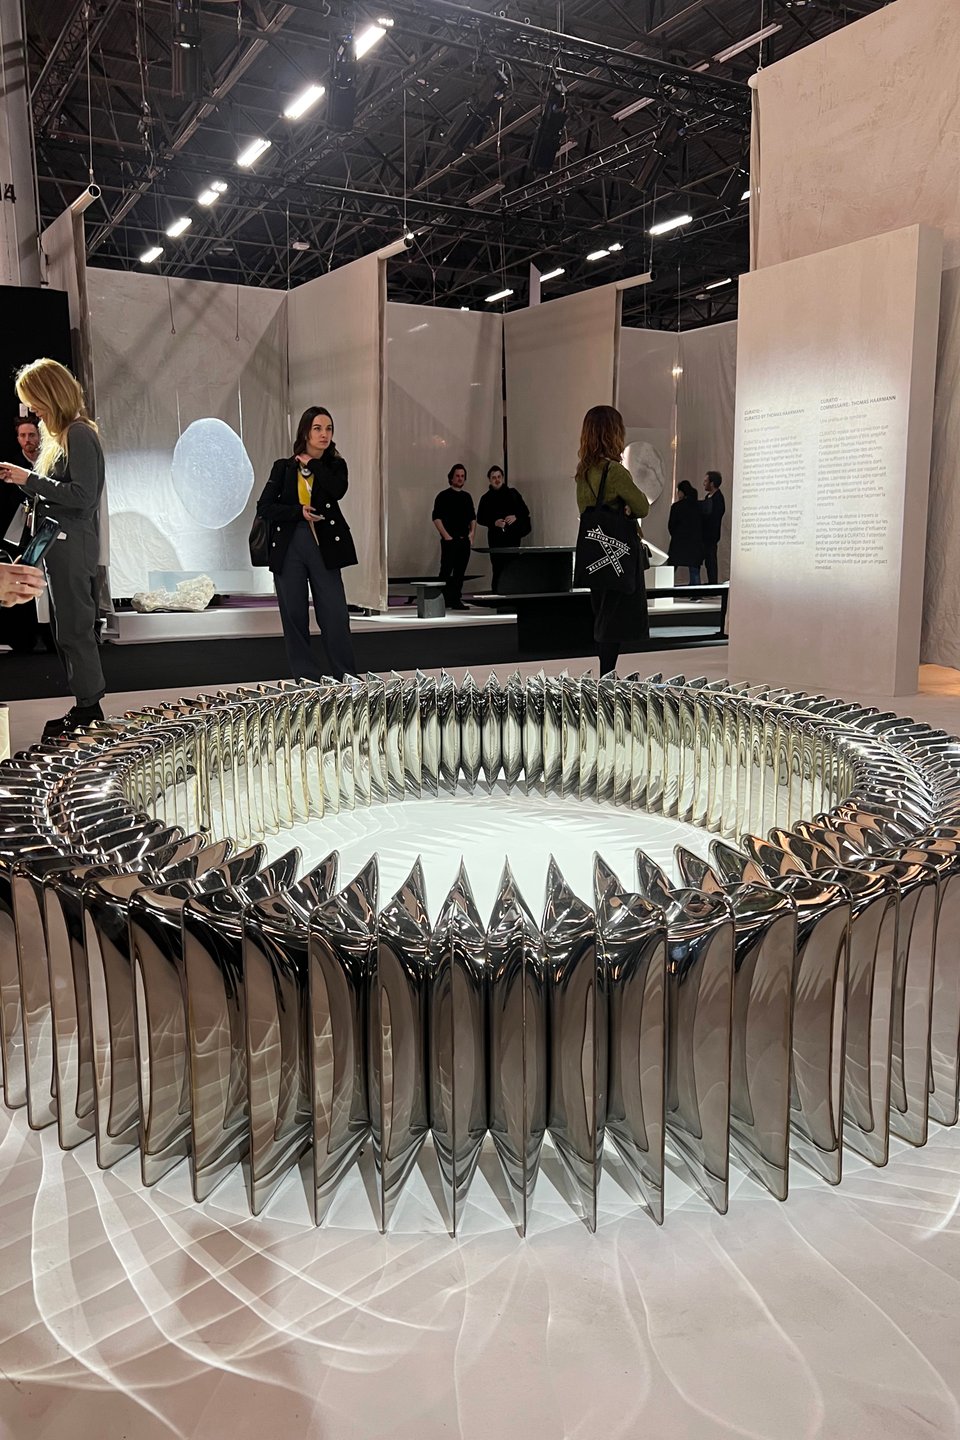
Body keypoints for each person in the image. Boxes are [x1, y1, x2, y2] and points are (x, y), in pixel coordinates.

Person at [0, 359, 108, 738]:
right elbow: (63, 493)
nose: (32, 410)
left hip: (72, 544)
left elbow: (83, 497)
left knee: (75, 629)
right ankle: (85, 705)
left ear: (50, 394)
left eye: (34, 400)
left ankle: (90, 709)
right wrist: (26, 480)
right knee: (66, 630)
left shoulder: (78, 434)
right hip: (60, 543)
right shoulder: (63, 435)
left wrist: (29, 478)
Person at [255, 405, 358, 682]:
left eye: (329, 429)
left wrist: (312, 464)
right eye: (317, 428)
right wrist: (297, 512)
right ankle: (306, 678)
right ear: (305, 432)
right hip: (290, 546)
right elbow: (264, 507)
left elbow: (337, 490)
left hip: (324, 545)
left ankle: (345, 675)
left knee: (335, 613)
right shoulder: (284, 467)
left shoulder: (335, 465)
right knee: (294, 615)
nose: (324, 434)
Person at [575, 405, 650, 677]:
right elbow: (642, 506)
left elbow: (585, 510)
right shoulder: (615, 471)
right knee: (615, 617)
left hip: (594, 552)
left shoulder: (583, 472)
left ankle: (606, 672)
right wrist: (626, 510)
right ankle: (607, 675)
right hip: (619, 553)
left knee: (602, 612)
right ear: (613, 433)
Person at [476, 464, 531, 589]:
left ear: (503, 477)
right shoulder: (486, 498)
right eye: (494, 477)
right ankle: (497, 593)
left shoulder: (513, 493)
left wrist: (515, 516)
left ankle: (512, 593)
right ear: (489, 480)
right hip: (496, 538)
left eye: (499, 477)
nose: (497, 480)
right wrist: (494, 523)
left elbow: (525, 511)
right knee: (497, 567)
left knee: (513, 565)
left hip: (513, 536)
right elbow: (480, 518)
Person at [432, 463, 475, 610]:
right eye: (457, 476)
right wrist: (446, 536)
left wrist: (472, 534)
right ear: (451, 477)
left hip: (464, 540)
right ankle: (440, 600)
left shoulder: (467, 497)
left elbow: (472, 517)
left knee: (460, 572)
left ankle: (456, 599)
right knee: (445, 570)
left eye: (462, 476)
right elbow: (436, 518)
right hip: (450, 540)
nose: (460, 478)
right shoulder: (443, 496)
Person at [668, 480, 704, 585]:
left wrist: (676, 535)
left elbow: (671, 526)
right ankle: (696, 592)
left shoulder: (676, 507)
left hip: (678, 543)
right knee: (694, 571)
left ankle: (665, 591)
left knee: (670, 570)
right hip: (695, 544)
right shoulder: (698, 506)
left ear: (681, 492)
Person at [701, 470, 726, 584]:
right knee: (707, 561)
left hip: (711, 535)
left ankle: (713, 583)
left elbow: (716, 515)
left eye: (706, 481)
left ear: (712, 483)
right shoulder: (708, 497)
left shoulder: (718, 498)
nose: (704, 483)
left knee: (711, 560)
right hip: (704, 535)